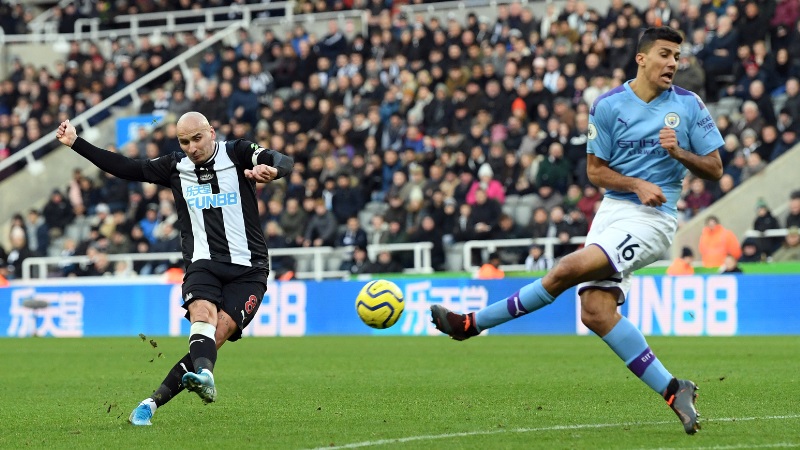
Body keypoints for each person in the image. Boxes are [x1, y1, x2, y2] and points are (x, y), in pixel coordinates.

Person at [430, 27, 724, 435]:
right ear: (641, 59)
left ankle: (471, 324)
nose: (673, 63)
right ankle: (675, 389)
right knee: (596, 312)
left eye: (677, 55)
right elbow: (595, 171)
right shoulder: (607, 106)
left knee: (567, 269)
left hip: (654, 220)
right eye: (664, 54)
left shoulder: (689, 106)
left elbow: (715, 168)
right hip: (613, 212)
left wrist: (679, 153)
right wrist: (635, 183)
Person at [55, 111, 294, 426]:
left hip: (249, 269)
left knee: (216, 334)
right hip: (203, 262)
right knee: (202, 315)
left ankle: (151, 403)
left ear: (211, 132)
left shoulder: (237, 153)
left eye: (197, 138)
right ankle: (205, 376)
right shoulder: (175, 167)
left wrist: (272, 170)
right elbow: (126, 167)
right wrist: (76, 143)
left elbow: (282, 159)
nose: (192, 147)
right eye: (184, 142)